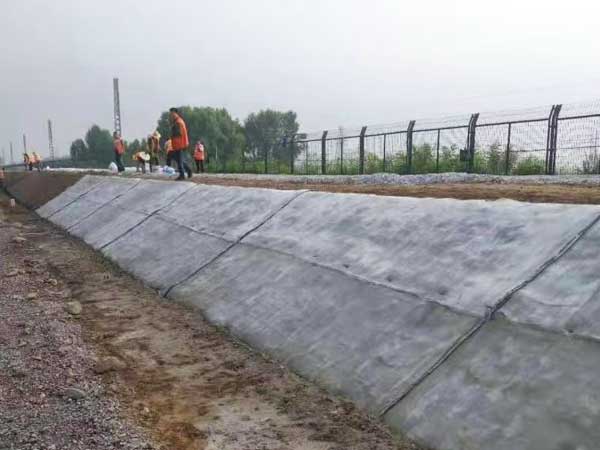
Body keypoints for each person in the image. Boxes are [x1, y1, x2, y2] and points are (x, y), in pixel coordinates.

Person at [169, 107, 192, 180]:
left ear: (175, 113)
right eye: (170, 114)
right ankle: (188, 170)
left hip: (179, 144)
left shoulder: (178, 122)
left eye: (172, 113)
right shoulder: (177, 121)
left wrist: (172, 131)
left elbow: (178, 133)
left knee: (179, 160)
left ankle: (182, 175)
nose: (171, 115)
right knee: (178, 159)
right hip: (178, 144)